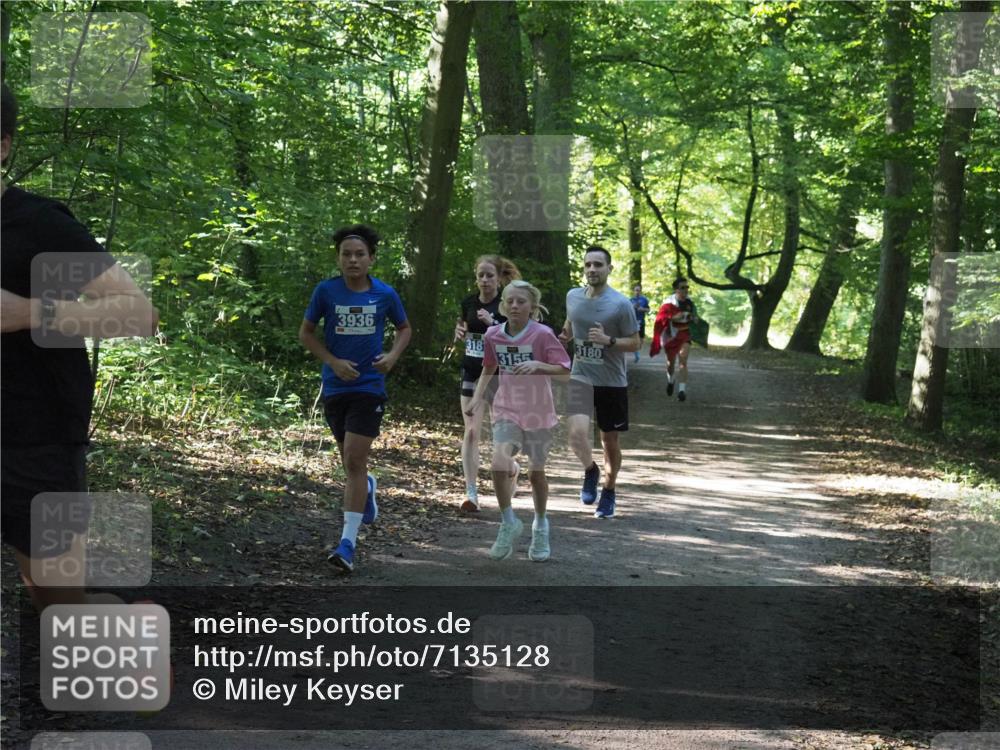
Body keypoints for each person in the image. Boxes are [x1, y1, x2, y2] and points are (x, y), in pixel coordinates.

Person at [1, 82, 158, 610]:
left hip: (36, 442)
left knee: (60, 608)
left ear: (3, 146)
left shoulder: (39, 224)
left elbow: (139, 314)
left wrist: (31, 313)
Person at [298, 224, 411, 574]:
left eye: (360, 254)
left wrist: (392, 356)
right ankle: (368, 487)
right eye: (346, 254)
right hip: (336, 387)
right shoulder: (326, 291)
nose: (353, 260)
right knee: (352, 466)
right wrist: (332, 361)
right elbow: (306, 333)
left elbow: (405, 328)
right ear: (338, 258)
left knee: (353, 458)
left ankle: (347, 544)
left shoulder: (384, 294)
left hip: (369, 387)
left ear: (371, 259)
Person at [466, 281, 570, 562]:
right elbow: (489, 366)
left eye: (521, 302)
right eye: (510, 301)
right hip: (506, 407)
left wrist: (539, 365)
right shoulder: (493, 334)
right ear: (503, 305)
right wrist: (477, 397)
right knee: (498, 464)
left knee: (536, 474)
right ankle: (508, 521)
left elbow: (565, 371)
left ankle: (541, 525)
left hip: (538, 410)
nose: (514, 306)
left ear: (532, 307)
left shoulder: (543, 335)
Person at [559, 246, 640, 519]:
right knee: (575, 434)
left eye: (598, 265)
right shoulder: (572, 296)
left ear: (609, 269)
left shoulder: (621, 304)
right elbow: (571, 322)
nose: (592, 269)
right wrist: (565, 335)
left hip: (612, 382)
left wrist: (609, 341)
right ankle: (590, 470)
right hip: (581, 375)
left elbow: (636, 342)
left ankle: (609, 491)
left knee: (609, 441)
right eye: (588, 265)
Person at [454, 255, 521, 512]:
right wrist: (459, 332)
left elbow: (516, 336)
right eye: (480, 275)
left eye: (490, 275)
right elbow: (463, 327)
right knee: (471, 431)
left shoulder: (507, 304)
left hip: (499, 376)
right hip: (472, 372)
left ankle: (512, 468)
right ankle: (471, 492)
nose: (485, 280)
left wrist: (492, 324)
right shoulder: (468, 302)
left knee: (499, 434)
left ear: (499, 278)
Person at [650, 276, 698, 402]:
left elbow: (695, 317)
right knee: (670, 363)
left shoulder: (690, 302)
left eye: (687, 287)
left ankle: (682, 391)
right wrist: (673, 317)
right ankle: (671, 380)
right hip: (670, 335)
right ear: (676, 289)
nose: (686, 290)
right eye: (683, 287)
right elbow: (660, 318)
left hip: (685, 334)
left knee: (683, 360)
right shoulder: (668, 303)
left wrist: (694, 319)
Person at [629, 283, 650, 364]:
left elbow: (648, 310)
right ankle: (636, 355)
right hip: (633, 322)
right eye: (636, 290)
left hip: (641, 322)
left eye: (638, 290)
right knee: (635, 338)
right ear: (633, 291)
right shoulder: (630, 300)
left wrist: (642, 309)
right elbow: (627, 311)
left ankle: (637, 349)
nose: (637, 292)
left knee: (641, 340)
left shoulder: (644, 300)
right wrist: (632, 307)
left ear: (641, 291)